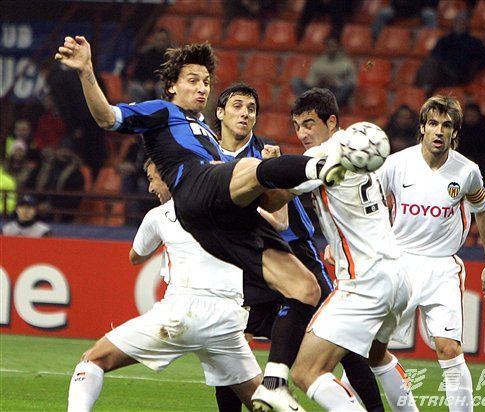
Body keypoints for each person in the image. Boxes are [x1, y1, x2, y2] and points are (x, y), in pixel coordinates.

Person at [55, 36, 345, 409]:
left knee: (305, 288)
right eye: (193, 80)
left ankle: (274, 383)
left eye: (206, 82)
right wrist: (86, 71)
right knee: (250, 167)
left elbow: (274, 212)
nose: (202, 88)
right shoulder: (162, 112)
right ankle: (322, 164)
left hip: (221, 233)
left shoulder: (206, 132)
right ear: (172, 86)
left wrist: (277, 179)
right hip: (196, 195)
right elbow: (107, 117)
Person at [213, 83, 385, 412]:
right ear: (220, 113)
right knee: (228, 341)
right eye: (238, 106)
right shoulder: (209, 156)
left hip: (295, 253)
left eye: (252, 108)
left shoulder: (266, 157)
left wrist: (233, 207)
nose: (245, 114)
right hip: (248, 258)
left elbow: (279, 219)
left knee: (341, 340)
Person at [67, 158, 261, 411]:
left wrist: (163, 237)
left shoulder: (159, 215)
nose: (150, 188)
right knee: (263, 399)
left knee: (93, 359)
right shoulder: (230, 208)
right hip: (228, 317)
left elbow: (136, 256)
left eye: (152, 179)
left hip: (183, 310)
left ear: (170, 177)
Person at [286, 88, 417, 411]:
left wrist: (268, 166)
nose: (302, 134)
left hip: (364, 281)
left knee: (305, 372)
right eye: (297, 126)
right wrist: (337, 241)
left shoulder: (323, 155)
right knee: (375, 355)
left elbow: (277, 192)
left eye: (309, 124)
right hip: (397, 276)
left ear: (331, 122)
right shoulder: (360, 146)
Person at [377, 95, 485, 411]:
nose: (439, 131)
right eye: (433, 123)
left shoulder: (466, 171)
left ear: (454, 132)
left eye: (446, 125)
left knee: (449, 349)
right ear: (422, 127)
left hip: (442, 268)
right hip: (400, 263)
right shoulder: (395, 165)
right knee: (371, 349)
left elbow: (483, 211)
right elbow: (368, 206)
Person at [415, 11, 485, 96]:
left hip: (458, 74)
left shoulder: (474, 42)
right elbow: (434, 54)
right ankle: (422, 90)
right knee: (431, 63)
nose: (459, 24)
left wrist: (474, 66)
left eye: (462, 21)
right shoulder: (445, 40)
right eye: (457, 21)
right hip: (441, 70)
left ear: (467, 24)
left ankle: (423, 92)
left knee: (432, 66)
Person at [291, 37, 356, 108]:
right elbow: (310, 82)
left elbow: (351, 84)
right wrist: (318, 82)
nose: (331, 49)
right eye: (328, 46)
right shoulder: (318, 62)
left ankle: (329, 105)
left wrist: (334, 82)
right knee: (295, 81)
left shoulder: (347, 63)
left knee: (348, 86)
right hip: (318, 90)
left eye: (333, 46)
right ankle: (311, 103)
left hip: (334, 92)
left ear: (339, 47)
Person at [457, 102, 485, 170]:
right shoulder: (458, 129)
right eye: (468, 115)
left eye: (473, 116)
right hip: (459, 162)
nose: (470, 118)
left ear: (479, 116)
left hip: (482, 164)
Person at [372, 0, 438, 42]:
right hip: (399, 10)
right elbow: (394, 3)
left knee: (430, 14)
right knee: (384, 13)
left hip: (418, 11)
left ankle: (430, 39)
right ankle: (375, 38)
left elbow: (431, 3)